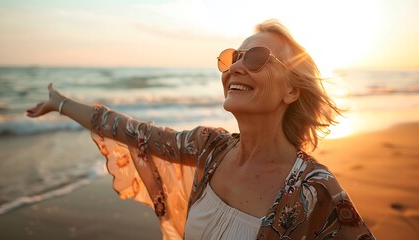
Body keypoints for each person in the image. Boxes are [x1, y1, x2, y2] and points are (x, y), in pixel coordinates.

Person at [26, 19, 375, 240]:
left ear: (292, 90)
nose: (236, 68)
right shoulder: (209, 148)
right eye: (232, 57)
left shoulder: (315, 192)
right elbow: (131, 131)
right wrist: (60, 103)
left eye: (254, 58)